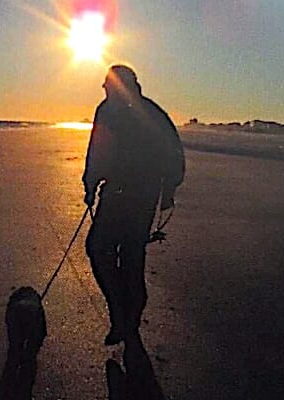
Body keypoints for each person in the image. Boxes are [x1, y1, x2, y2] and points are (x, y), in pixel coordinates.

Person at [83, 65, 184, 345]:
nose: (103, 88)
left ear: (116, 85)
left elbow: (97, 151)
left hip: (119, 193)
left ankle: (122, 312)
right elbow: (174, 151)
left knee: (99, 249)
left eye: (106, 83)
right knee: (131, 256)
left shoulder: (108, 110)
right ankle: (129, 314)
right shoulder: (152, 110)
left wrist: (90, 184)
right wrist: (169, 190)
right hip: (145, 196)